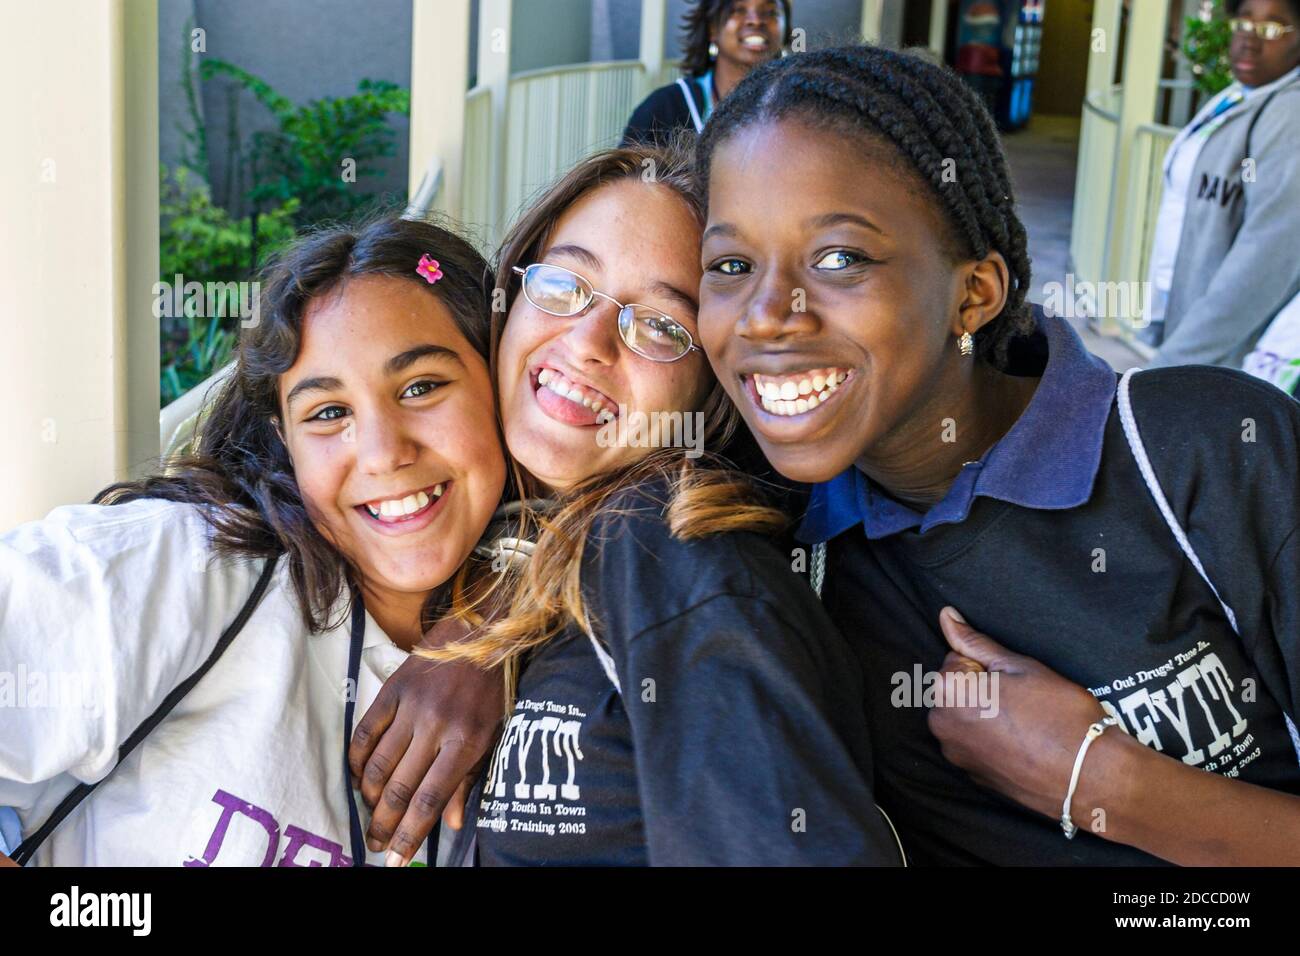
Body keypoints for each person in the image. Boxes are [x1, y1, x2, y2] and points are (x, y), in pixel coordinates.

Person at [694, 44, 1300, 865]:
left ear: (975, 294)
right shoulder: (766, 530)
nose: (767, 315)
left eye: (840, 258)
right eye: (731, 265)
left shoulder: (1207, 452)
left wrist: (1101, 782)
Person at [403, 143, 901, 866]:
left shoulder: (682, 560)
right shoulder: (461, 529)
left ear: (712, 385)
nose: (587, 341)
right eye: (564, 285)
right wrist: (489, 619)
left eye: (662, 327)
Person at [0, 216, 507, 866]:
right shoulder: (186, 570)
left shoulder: (553, 637)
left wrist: (494, 626)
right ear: (282, 438)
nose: (382, 453)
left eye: (421, 387)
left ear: (500, 383)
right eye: (328, 413)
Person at [1144, 0, 1300, 368]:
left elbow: (1265, 259)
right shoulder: (1235, 97)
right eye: (1244, 23)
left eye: (1272, 29)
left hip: (1223, 357)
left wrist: (1175, 361)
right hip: (1188, 323)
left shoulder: (1289, 116)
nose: (1250, 40)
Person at [621, 0, 790, 147]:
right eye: (738, 9)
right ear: (712, 28)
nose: (756, 20)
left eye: (770, 12)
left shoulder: (800, 108)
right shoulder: (662, 110)